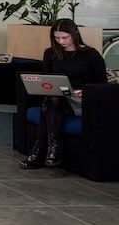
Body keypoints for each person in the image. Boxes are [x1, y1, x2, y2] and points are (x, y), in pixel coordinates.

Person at [20, 18, 106, 170]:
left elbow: (102, 84)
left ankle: (40, 150)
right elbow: (47, 80)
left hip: (82, 100)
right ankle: (53, 150)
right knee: (53, 99)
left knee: (47, 109)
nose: (61, 41)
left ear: (75, 34)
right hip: (59, 98)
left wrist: (85, 91)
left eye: (65, 37)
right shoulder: (50, 54)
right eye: (57, 38)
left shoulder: (90, 54)